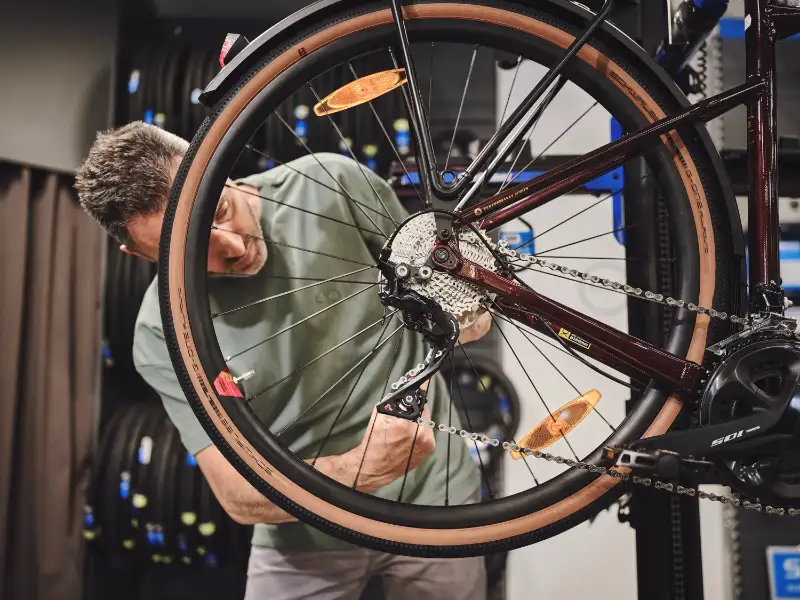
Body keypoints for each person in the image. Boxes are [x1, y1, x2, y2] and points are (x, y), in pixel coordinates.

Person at [75, 121, 490, 600]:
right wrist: (361, 470)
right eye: (189, 250)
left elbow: (447, 303)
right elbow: (236, 495)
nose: (230, 246)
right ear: (138, 254)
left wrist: (467, 305)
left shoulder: (332, 184)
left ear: (218, 168)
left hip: (436, 500)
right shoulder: (162, 330)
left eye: (221, 210)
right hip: (303, 531)